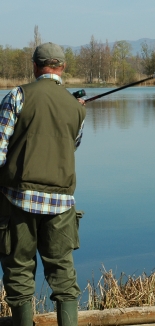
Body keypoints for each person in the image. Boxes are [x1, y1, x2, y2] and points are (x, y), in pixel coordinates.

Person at [0, 42, 86, 326]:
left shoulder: (17, 96)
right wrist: (76, 109)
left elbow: (0, 150)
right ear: (62, 68)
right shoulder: (76, 108)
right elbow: (70, 146)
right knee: (63, 274)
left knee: (19, 271)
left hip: (17, 199)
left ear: (35, 67)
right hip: (62, 204)